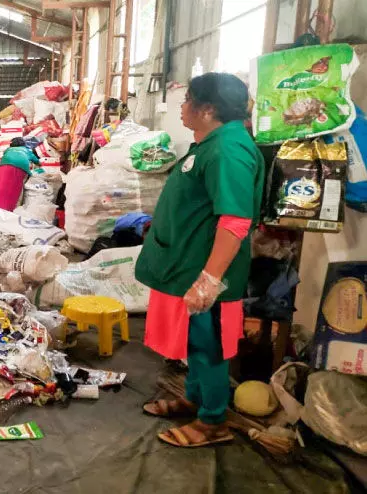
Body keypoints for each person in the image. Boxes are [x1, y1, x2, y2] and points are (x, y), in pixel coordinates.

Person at [136, 73, 264, 448]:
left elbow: (236, 219)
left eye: (188, 99)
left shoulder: (229, 151)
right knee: (194, 343)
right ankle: (194, 400)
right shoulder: (211, 144)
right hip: (189, 265)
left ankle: (212, 421)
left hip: (207, 272)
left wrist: (210, 279)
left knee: (209, 347)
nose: (182, 105)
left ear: (207, 109)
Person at [0, 137, 39, 211]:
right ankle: (10, 209)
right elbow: (37, 161)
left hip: (4, 167)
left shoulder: (8, 150)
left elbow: (5, 154)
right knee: (14, 189)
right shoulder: (27, 150)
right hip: (21, 169)